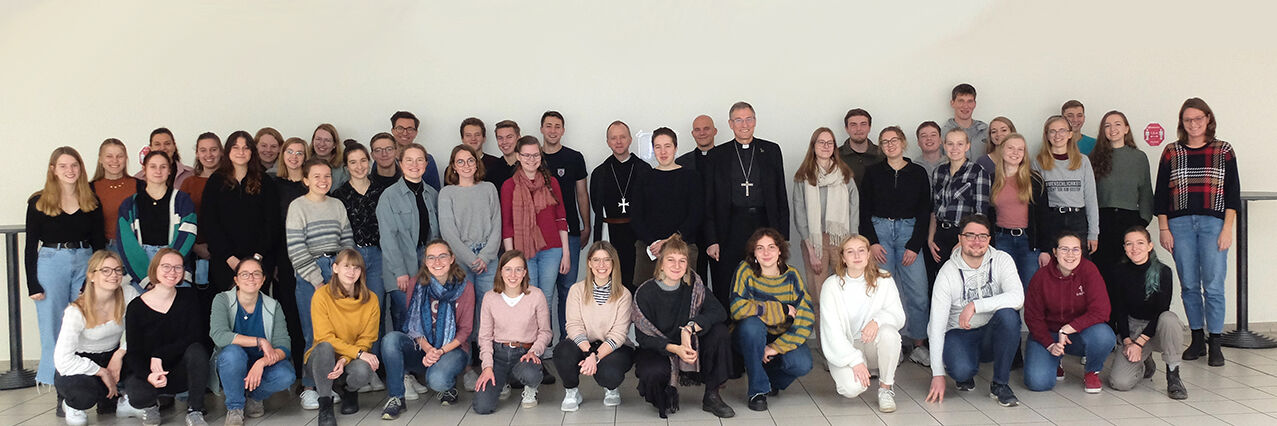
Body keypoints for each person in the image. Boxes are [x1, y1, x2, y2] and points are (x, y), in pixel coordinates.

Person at [1154, 97, 1239, 367]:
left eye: (1198, 119)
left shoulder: (1223, 150)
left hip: (1213, 223)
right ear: (1182, 123)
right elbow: (1161, 197)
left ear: (1208, 120)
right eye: (1188, 119)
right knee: (1189, 284)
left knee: (1213, 285)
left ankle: (1215, 342)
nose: (1193, 124)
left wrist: (1227, 229)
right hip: (1179, 225)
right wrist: (1164, 229)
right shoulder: (1171, 151)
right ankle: (1197, 339)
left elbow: (1232, 195)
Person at [201, 131, 291, 374]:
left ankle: (261, 366)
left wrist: (255, 261)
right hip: (225, 263)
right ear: (227, 151)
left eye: (246, 147)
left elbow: (271, 224)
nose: (241, 151)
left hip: (259, 263)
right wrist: (231, 259)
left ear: (252, 152)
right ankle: (229, 371)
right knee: (228, 316)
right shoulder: (215, 182)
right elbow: (210, 224)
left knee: (258, 316)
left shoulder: (265, 182)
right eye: (235, 147)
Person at [631, 234, 735, 419]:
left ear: (688, 264)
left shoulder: (694, 286)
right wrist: (675, 348)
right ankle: (663, 394)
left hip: (690, 343)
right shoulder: (645, 293)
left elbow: (719, 312)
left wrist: (690, 329)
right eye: (670, 260)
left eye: (682, 260)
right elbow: (644, 338)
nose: (676, 266)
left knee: (719, 332)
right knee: (652, 373)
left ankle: (712, 395)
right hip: (660, 348)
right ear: (661, 263)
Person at [924, 215, 1023, 407]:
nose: (976, 242)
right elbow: (936, 325)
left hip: (990, 334)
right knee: (961, 370)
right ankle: (964, 370)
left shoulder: (1002, 260)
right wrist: (937, 375)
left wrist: (975, 305)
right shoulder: (948, 272)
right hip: (960, 333)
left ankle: (1000, 385)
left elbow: (1018, 297)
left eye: (982, 236)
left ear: (989, 239)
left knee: (1009, 315)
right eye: (970, 236)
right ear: (960, 239)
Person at [703, 101, 789, 309]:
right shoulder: (717, 155)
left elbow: (780, 195)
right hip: (730, 226)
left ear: (755, 121)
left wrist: (783, 238)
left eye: (749, 119)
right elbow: (709, 201)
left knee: (766, 281)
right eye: (739, 120)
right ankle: (729, 337)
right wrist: (711, 239)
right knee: (728, 282)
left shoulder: (771, 150)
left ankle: (766, 333)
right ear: (730, 124)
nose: (744, 125)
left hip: (764, 224)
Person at [859, 127, 932, 366]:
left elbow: (924, 211)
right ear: (880, 147)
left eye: (894, 140)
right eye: (884, 141)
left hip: (909, 232)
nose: (890, 145)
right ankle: (893, 344)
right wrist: (872, 242)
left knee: (918, 293)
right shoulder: (872, 173)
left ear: (903, 142)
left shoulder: (918, 172)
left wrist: (915, 245)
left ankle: (919, 344)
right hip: (880, 231)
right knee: (884, 293)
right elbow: (864, 210)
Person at [287, 158, 356, 409]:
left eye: (327, 176)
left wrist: (345, 274)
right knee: (313, 333)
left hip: (337, 270)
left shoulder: (337, 205)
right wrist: (317, 280)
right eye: (316, 176)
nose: (322, 181)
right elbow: (296, 248)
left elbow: (347, 241)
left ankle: (327, 385)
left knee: (337, 332)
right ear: (305, 179)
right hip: (310, 273)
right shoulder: (298, 207)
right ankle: (308, 387)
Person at [380, 240, 474, 419]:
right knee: (391, 340)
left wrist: (439, 351)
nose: (437, 262)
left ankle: (447, 386)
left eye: (442, 256)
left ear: (452, 258)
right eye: (431, 258)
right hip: (423, 350)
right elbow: (412, 326)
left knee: (437, 381)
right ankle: (396, 398)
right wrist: (428, 349)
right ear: (425, 261)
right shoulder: (416, 284)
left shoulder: (465, 287)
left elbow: (465, 330)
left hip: (452, 350)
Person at [437, 144, 501, 387]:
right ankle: (466, 368)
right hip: (460, 260)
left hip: (488, 258)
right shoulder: (447, 193)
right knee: (463, 315)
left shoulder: (488, 188)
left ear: (477, 163)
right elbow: (448, 232)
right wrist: (468, 258)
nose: (466, 165)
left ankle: (492, 365)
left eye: (470, 160)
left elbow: (497, 224)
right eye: (460, 161)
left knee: (491, 313)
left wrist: (484, 257)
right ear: (453, 166)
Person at [122, 248, 210, 426]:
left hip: (180, 371)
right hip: (151, 374)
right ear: (155, 269)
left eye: (178, 267)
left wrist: (160, 354)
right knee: (137, 394)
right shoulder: (136, 307)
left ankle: (195, 410)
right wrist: (148, 375)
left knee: (197, 350)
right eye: (166, 266)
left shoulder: (189, 297)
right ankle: (150, 406)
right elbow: (133, 352)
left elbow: (194, 336)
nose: (173, 272)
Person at [729, 228, 814, 411]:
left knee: (803, 363)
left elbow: (806, 316)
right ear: (754, 253)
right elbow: (737, 308)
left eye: (771, 247)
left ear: (780, 251)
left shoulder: (792, 276)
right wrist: (780, 309)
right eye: (760, 248)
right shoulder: (745, 270)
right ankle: (757, 391)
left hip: (778, 336)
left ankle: (768, 379)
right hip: (748, 335)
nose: (766, 253)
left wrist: (775, 347)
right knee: (753, 326)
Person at [820, 235, 905, 413]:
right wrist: (855, 360)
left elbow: (898, 316)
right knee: (852, 389)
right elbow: (832, 331)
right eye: (850, 252)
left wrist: (877, 321)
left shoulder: (884, 280)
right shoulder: (831, 286)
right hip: (846, 348)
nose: (857, 256)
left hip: (872, 343)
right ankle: (859, 370)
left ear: (868, 255)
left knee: (890, 333)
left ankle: (886, 389)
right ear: (843, 258)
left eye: (861, 251)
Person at [53, 250, 139, 425]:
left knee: (144, 358)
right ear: (92, 275)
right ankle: (71, 405)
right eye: (105, 270)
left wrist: (119, 354)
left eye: (117, 270)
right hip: (80, 363)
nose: (113, 275)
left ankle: (125, 401)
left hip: (113, 355)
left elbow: (140, 330)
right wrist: (101, 371)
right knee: (85, 396)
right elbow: (62, 360)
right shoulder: (76, 311)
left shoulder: (128, 293)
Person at [1023, 232, 1115, 393]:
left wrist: (1068, 328)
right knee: (1038, 383)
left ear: (1081, 252)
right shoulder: (1041, 277)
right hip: (1049, 335)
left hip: (1078, 334)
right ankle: (1055, 359)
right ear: (1055, 252)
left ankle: (1092, 371)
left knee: (1104, 335)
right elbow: (1033, 318)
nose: (1070, 255)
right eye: (1064, 249)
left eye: (1075, 250)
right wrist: (1050, 344)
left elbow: (1102, 311)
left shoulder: (1089, 271)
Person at [210, 258, 294, 425]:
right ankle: (235, 407)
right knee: (233, 353)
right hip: (232, 363)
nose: (251, 278)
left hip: (262, 364)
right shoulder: (222, 300)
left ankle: (253, 398)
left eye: (256, 274)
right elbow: (219, 335)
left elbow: (284, 345)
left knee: (286, 375)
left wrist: (262, 362)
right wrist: (259, 341)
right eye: (245, 274)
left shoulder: (272, 305)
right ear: (236, 280)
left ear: (263, 280)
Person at [791, 127, 858, 338]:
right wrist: (811, 250)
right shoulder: (803, 176)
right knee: (819, 298)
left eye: (830, 142)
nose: (826, 146)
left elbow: (854, 208)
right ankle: (826, 347)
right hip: (814, 242)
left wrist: (852, 245)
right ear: (813, 146)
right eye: (821, 142)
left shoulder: (845, 174)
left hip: (841, 240)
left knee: (844, 295)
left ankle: (846, 344)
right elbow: (799, 213)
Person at [554, 241, 634, 411]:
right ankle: (571, 391)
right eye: (596, 260)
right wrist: (589, 353)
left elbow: (618, 335)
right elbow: (574, 326)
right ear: (589, 263)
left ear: (614, 263)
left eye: (606, 260)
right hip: (583, 343)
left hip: (613, 347)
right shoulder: (577, 290)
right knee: (562, 351)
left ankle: (611, 389)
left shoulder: (624, 294)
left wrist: (595, 357)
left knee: (610, 373)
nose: (601, 265)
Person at [305, 249, 381, 425]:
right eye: (346, 266)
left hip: (351, 359)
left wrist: (345, 359)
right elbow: (324, 337)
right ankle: (325, 406)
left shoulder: (371, 300)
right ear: (335, 268)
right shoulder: (321, 296)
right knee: (325, 348)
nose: (351, 272)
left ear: (361, 272)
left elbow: (366, 340)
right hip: (321, 359)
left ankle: (349, 391)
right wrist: (357, 354)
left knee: (365, 369)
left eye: (356, 268)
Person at [472, 250, 553, 414]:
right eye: (508, 269)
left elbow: (545, 332)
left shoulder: (536, 295)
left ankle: (530, 388)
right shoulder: (490, 297)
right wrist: (487, 366)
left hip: (525, 353)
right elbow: (485, 337)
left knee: (530, 374)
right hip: (498, 354)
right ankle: (503, 382)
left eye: (518, 269)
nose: (513, 275)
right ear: (500, 271)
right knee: (482, 407)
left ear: (524, 272)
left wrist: (534, 352)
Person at [501, 136, 570, 324]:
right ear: (518, 156)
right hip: (523, 252)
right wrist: (511, 259)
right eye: (526, 155)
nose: (532, 160)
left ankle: (543, 344)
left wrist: (566, 253)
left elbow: (561, 219)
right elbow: (507, 225)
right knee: (527, 297)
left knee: (545, 298)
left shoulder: (551, 183)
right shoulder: (509, 186)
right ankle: (529, 344)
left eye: (536, 155)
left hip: (552, 250)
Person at [377, 143, 441, 333]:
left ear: (426, 163)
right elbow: (388, 238)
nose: (415, 164)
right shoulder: (388, 196)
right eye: (409, 160)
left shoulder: (432, 194)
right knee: (405, 315)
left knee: (427, 315)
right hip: (400, 266)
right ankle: (402, 360)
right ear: (400, 164)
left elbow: (436, 235)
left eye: (419, 160)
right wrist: (400, 272)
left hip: (427, 264)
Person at [541, 111, 590, 345]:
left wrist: (586, 224)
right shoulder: (532, 157)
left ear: (563, 130)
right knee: (542, 292)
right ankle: (545, 343)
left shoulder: (574, 158)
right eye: (548, 126)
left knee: (567, 289)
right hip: (541, 237)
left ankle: (567, 341)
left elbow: (582, 194)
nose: (552, 130)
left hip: (570, 232)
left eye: (557, 126)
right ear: (541, 129)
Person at [116, 150, 198, 290]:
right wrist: (147, 278)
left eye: (163, 167)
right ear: (144, 169)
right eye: (153, 166)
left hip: (175, 270)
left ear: (170, 170)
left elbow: (187, 234)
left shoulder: (182, 201)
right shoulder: (129, 205)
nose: (158, 171)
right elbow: (127, 243)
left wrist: (169, 268)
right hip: (141, 268)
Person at [632, 127, 702, 287]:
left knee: (683, 297)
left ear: (675, 148)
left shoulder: (691, 177)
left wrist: (670, 241)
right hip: (650, 250)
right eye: (658, 147)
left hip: (682, 248)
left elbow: (696, 214)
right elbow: (636, 217)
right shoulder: (644, 178)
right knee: (647, 298)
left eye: (667, 146)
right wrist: (654, 243)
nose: (663, 151)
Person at [330, 140, 390, 321]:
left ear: (369, 161)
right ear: (346, 166)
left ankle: (376, 350)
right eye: (353, 162)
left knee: (375, 310)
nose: (359, 166)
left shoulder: (383, 191)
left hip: (379, 256)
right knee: (352, 311)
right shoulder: (338, 195)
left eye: (363, 160)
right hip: (351, 255)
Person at [1091, 111, 1154, 278]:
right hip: (1102, 222)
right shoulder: (1094, 157)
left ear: (1126, 129)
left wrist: (1142, 222)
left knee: (1128, 272)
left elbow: (1146, 192)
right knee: (1103, 271)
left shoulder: (1139, 157)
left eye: (1117, 124)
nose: (1113, 129)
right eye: (1107, 125)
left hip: (1130, 220)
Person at [590, 120, 651, 289]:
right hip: (609, 233)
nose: (618, 142)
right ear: (608, 141)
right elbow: (596, 205)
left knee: (638, 281)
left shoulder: (644, 170)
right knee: (610, 282)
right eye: (613, 138)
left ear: (630, 139)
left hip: (638, 234)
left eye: (622, 137)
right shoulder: (600, 172)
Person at [926, 129, 990, 287]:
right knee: (942, 282)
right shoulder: (939, 172)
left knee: (963, 282)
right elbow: (935, 208)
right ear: (944, 146)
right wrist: (931, 237)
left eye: (960, 144)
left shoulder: (978, 172)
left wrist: (964, 240)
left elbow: (980, 214)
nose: (955, 148)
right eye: (950, 144)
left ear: (967, 146)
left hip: (963, 235)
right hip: (941, 233)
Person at [1033, 115, 1100, 258]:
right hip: (1052, 219)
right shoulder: (1038, 162)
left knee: (1079, 265)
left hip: (1078, 219)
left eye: (1062, 130)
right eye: (1052, 131)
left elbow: (1091, 198)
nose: (1058, 135)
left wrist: (1094, 233)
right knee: (1054, 266)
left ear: (1070, 134)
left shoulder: (1083, 161)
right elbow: (1036, 204)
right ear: (1047, 135)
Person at [988, 134, 1048, 289]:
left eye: (1020, 149)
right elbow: (987, 215)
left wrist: (1045, 249)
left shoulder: (1034, 180)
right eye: (1011, 148)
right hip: (1001, 241)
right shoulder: (991, 179)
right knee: (1003, 289)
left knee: (1030, 290)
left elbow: (1044, 216)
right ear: (1001, 150)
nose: (1015, 152)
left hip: (1028, 243)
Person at [675, 115, 718, 285]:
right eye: (697, 129)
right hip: (691, 232)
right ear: (692, 133)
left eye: (706, 128)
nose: (702, 133)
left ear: (715, 131)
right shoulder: (682, 163)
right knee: (693, 282)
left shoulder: (725, 159)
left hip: (719, 231)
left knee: (722, 281)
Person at [181, 132, 221, 289]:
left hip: (225, 255)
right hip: (196, 253)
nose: (208, 155)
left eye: (213, 149)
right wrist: (196, 246)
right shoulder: (189, 183)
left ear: (221, 152)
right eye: (203, 150)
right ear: (197, 154)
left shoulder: (230, 181)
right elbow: (182, 220)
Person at [90, 138, 141, 244]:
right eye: (109, 156)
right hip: (102, 251)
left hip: (133, 248)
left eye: (120, 156)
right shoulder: (89, 189)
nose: (115, 160)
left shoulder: (140, 186)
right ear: (100, 159)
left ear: (126, 158)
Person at [390, 111, 442, 190]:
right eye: (400, 128)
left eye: (410, 129)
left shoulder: (428, 160)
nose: (405, 133)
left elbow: (435, 192)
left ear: (416, 132)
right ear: (393, 131)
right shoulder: (383, 159)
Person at [837, 108, 883, 188]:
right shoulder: (835, 156)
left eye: (863, 124)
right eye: (853, 125)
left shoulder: (882, 155)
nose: (859, 129)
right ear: (846, 129)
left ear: (869, 127)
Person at [941, 83, 989, 158]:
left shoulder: (985, 130)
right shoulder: (943, 133)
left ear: (974, 104)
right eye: (961, 101)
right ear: (952, 103)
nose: (965, 106)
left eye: (969, 101)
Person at [459, 117, 504, 186]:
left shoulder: (498, 164)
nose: (473, 138)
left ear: (484, 138)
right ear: (462, 139)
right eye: (468, 135)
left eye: (477, 135)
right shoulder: (455, 168)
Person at [309, 123, 349, 189]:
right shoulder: (304, 164)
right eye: (318, 139)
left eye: (327, 140)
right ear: (313, 141)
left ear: (334, 144)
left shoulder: (344, 170)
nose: (322, 144)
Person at [486, 120, 522, 188]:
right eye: (500, 138)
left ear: (518, 138)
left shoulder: (528, 166)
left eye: (509, 137)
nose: (504, 142)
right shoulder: (491, 171)